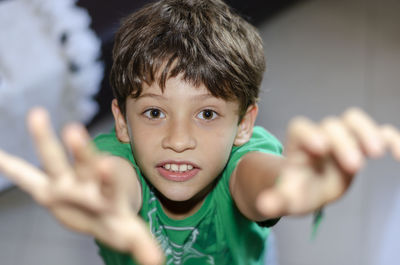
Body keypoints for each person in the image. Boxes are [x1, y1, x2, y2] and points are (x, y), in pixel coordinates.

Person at [0, 0, 399, 265]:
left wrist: (287, 182)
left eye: (207, 114)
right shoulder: (113, 161)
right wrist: (105, 197)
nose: (178, 139)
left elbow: (259, 181)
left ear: (244, 124)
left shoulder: (245, 162)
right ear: (122, 122)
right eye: (154, 112)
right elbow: (115, 186)